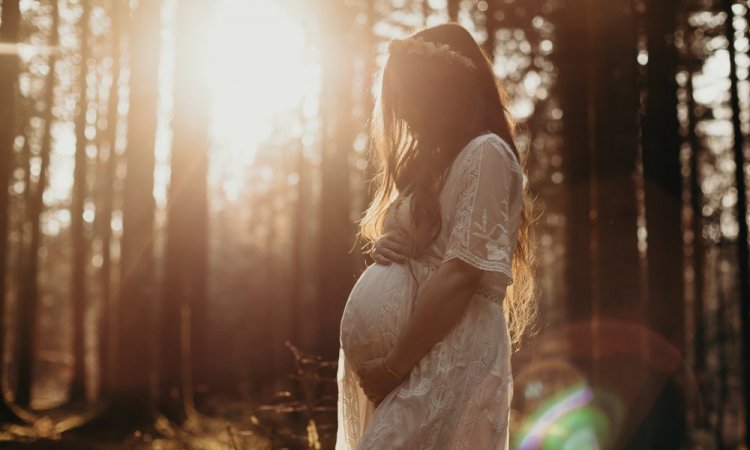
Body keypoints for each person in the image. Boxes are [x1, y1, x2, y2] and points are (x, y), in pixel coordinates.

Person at [336, 22, 537, 449]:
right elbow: (432, 253)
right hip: (415, 361)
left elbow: (462, 272)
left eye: (411, 97)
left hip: (445, 356)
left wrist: (393, 366)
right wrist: (390, 249)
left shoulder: (486, 153)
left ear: (442, 90)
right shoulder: (436, 165)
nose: (405, 113)